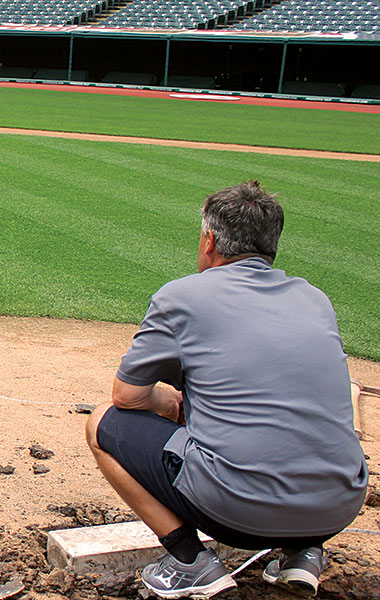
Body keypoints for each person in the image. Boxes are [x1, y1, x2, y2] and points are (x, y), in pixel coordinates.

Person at [85, 181, 367, 599]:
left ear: (209, 240)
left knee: (100, 425)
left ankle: (189, 561)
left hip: (236, 513)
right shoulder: (314, 299)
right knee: (297, 421)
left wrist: (169, 403)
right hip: (338, 507)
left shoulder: (182, 296)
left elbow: (127, 397)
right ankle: (303, 554)